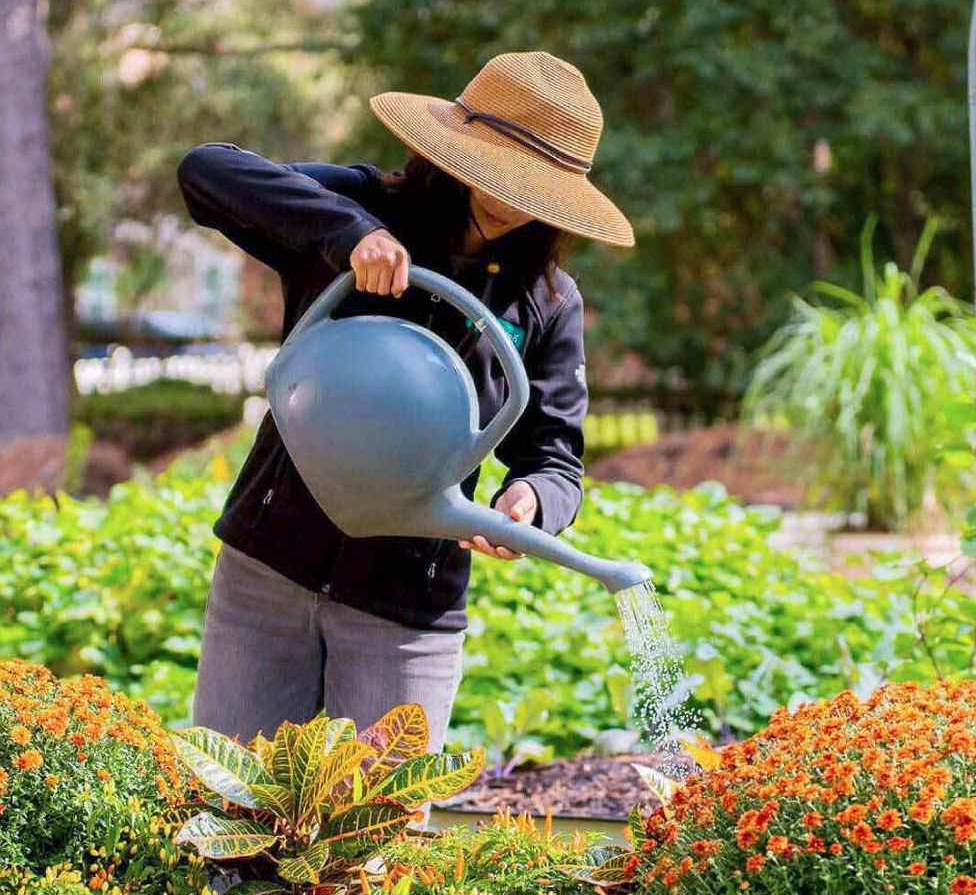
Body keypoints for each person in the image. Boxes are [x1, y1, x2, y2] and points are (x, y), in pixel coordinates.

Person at [178, 49, 634, 746]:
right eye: (502, 172)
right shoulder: (363, 206)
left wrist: (534, 500)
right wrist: (348, 236)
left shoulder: (546, 300)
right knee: (231, 817)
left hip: (407, 606)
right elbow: (207, 170)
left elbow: (555, 457)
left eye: (535, 185)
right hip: (267, 568)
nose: (513, 199)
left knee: (375, 835)